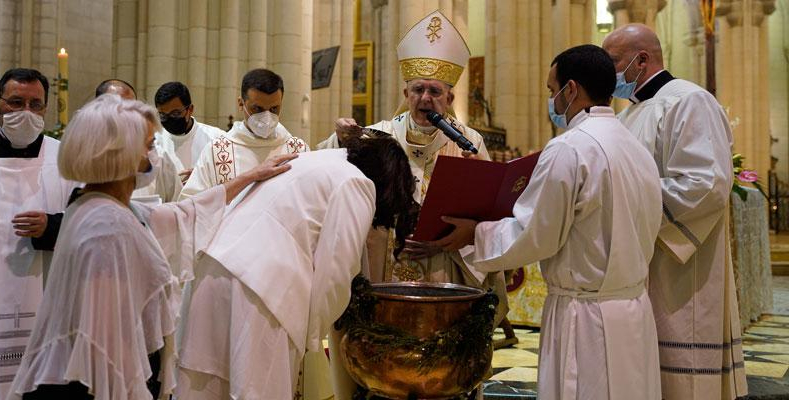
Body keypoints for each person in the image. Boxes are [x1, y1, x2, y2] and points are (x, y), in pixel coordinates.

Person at [7, 94, 296, 400]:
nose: (154, 154)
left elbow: (183, 214)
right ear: (121, 154)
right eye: (148, 145)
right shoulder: (105, 227)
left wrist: (252, 175)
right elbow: (106, 346)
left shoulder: (102, 205)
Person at [447, 45, 664, 399]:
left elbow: (536, 232)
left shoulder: (570, 148)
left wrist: (476, 233)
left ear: (572, 89)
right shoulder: (635, 146)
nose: (552, 100)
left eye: (552, 90)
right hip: (634, 310)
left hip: (586, 317)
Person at [175, 137, 416, 400]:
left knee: (203, 384)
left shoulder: (312, 159)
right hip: (261, 289)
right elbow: (337, 270)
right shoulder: (356, 182)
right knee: (258, 390)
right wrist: (313, 335)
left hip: (211, 269)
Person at [317, 9, 507, 326]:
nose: (425, 98)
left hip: (444, 264)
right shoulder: (380, 135)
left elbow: (490, 209)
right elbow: (323, 167)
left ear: (449, 97)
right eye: (418, 90)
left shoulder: (469, 142)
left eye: (434, 91)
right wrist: (339, 139)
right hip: (388, 263)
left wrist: (467, 232)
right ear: (406, 95)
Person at [603, 24, 747, 400]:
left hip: (681, 269)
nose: (609, 72)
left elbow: (707, 184)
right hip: (638, 264)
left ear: (642, 59)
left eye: (614, 62)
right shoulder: (624, 116)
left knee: (684, 377)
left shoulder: (689, 101)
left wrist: (627, 202)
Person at [0, 68, 78, 399]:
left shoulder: (66, 158)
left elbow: (91, 220)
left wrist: (52, 227)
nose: (25, 113)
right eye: (16, 103)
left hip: (50, 298)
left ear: (45, 109)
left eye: (35, 104)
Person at [180, 68, 309, 199]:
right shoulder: (217, 151)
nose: (266, 116)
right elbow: (191, 206)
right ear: (241, 103)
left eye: (274, 108)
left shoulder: (298, 150)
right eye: (257, 108)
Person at [94, 78, 183, 203]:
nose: (127, 115)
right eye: (118, 108)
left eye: (132, 108)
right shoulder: (84, 157)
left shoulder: (157, 158)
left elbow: (177, 206)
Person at [154, 81, 225, 184]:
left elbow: (229, 178)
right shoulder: (155, 142)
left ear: (190, 109)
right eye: (163, 115)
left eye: (176, 113)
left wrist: (202, 178)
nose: (170, 119)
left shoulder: (217, 138)